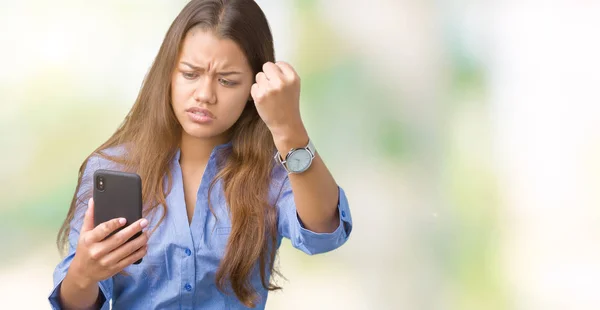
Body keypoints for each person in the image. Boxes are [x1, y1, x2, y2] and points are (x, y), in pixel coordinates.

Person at [49, 0, 353, 309]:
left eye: (227, 80)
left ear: (254, 86)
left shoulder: (272, 172)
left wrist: (289, 128)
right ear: (168, 73)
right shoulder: (114, 167)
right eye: (190, 74)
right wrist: (84, 273)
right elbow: (74, 305)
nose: (205, 95)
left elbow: (324, 233)